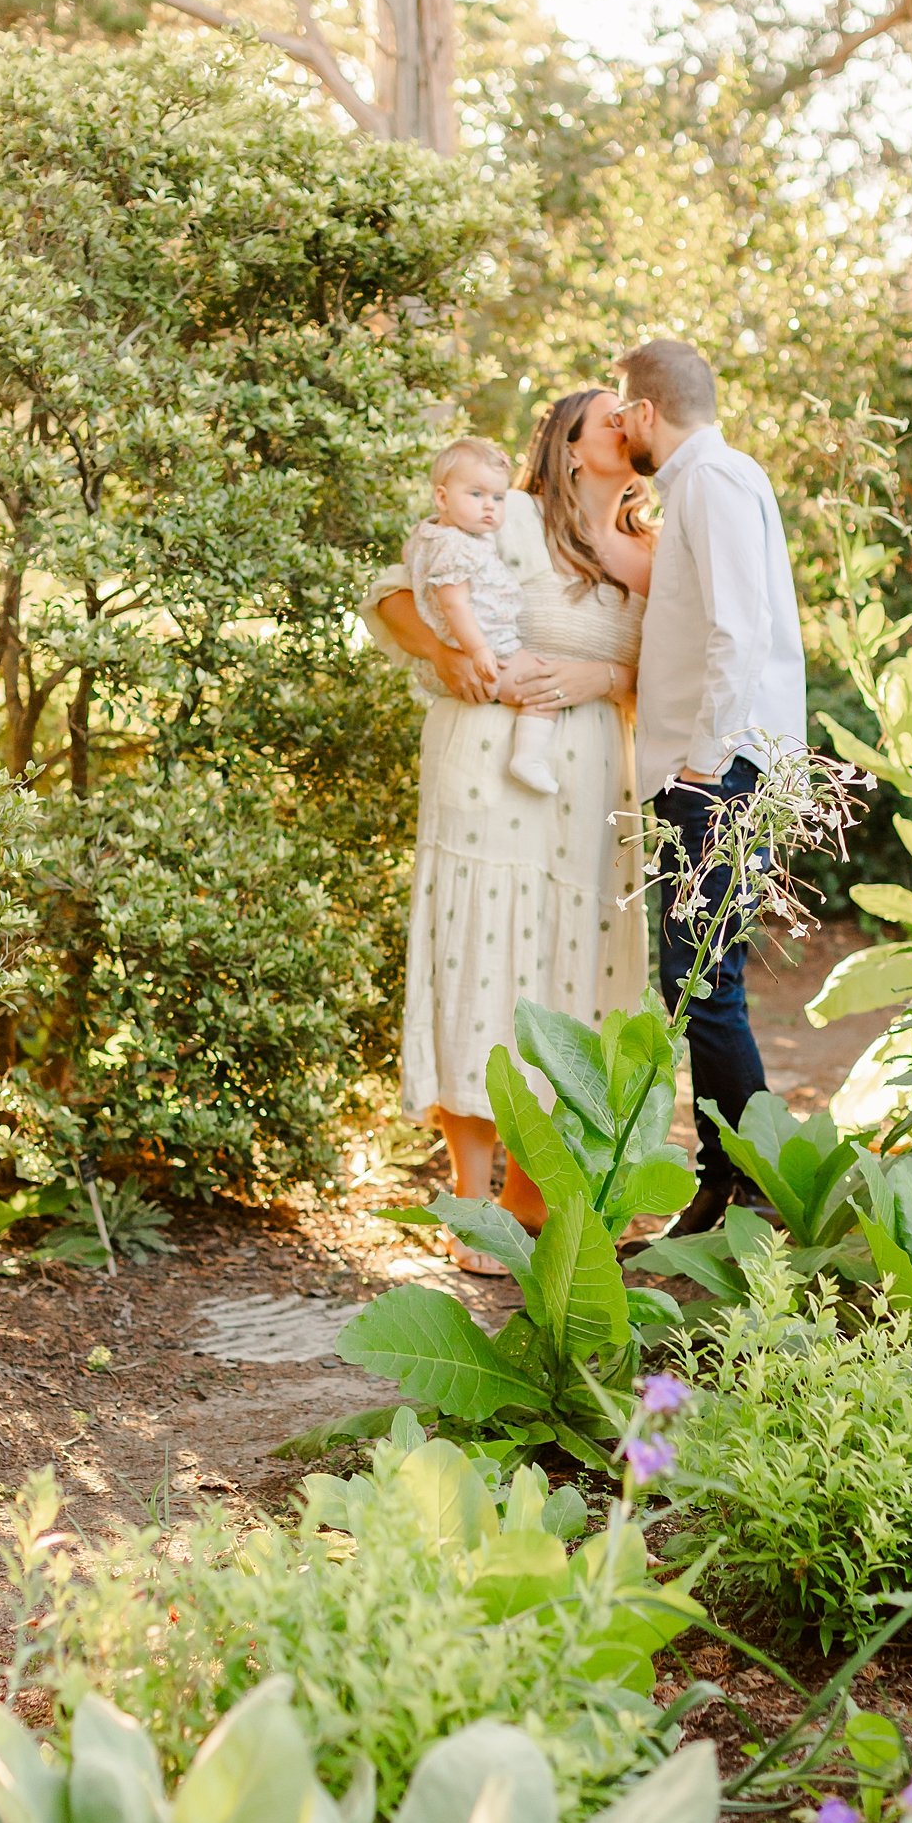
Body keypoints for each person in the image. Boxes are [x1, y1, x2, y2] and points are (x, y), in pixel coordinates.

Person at [362, 390, 655, 1272]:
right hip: (488, 760)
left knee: (575, 970)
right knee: (481, 953)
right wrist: (448, 653)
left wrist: (598, 674)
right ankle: (469, 1199)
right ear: (567, 446)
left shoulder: (652, 547)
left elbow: (672, 663)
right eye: (607, 413)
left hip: (593, 776)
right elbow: (391, 593)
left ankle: (536, 1197)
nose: (625, 420)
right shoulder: (510, 514)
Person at [611, 338, 807, 1235]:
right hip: (710, 768)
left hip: (721, 773)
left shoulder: (714, 482)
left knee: (701, 978)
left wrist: (704, 760)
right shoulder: (702, 483)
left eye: (623, 412)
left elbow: (741, 629)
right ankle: (728, 1176)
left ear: (649, 412)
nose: (620, 428)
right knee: (694, 976)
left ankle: (749, 1184)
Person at [403, 436, 561, 796]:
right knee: (544, 688)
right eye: (476, 495)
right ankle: (528, 757)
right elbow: (453, 603)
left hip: (479, 649)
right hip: (487, 652)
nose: (489, 506)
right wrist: (478, 651)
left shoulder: (430, 535)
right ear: (442, 498)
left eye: (498, 497)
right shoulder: (455, 546)